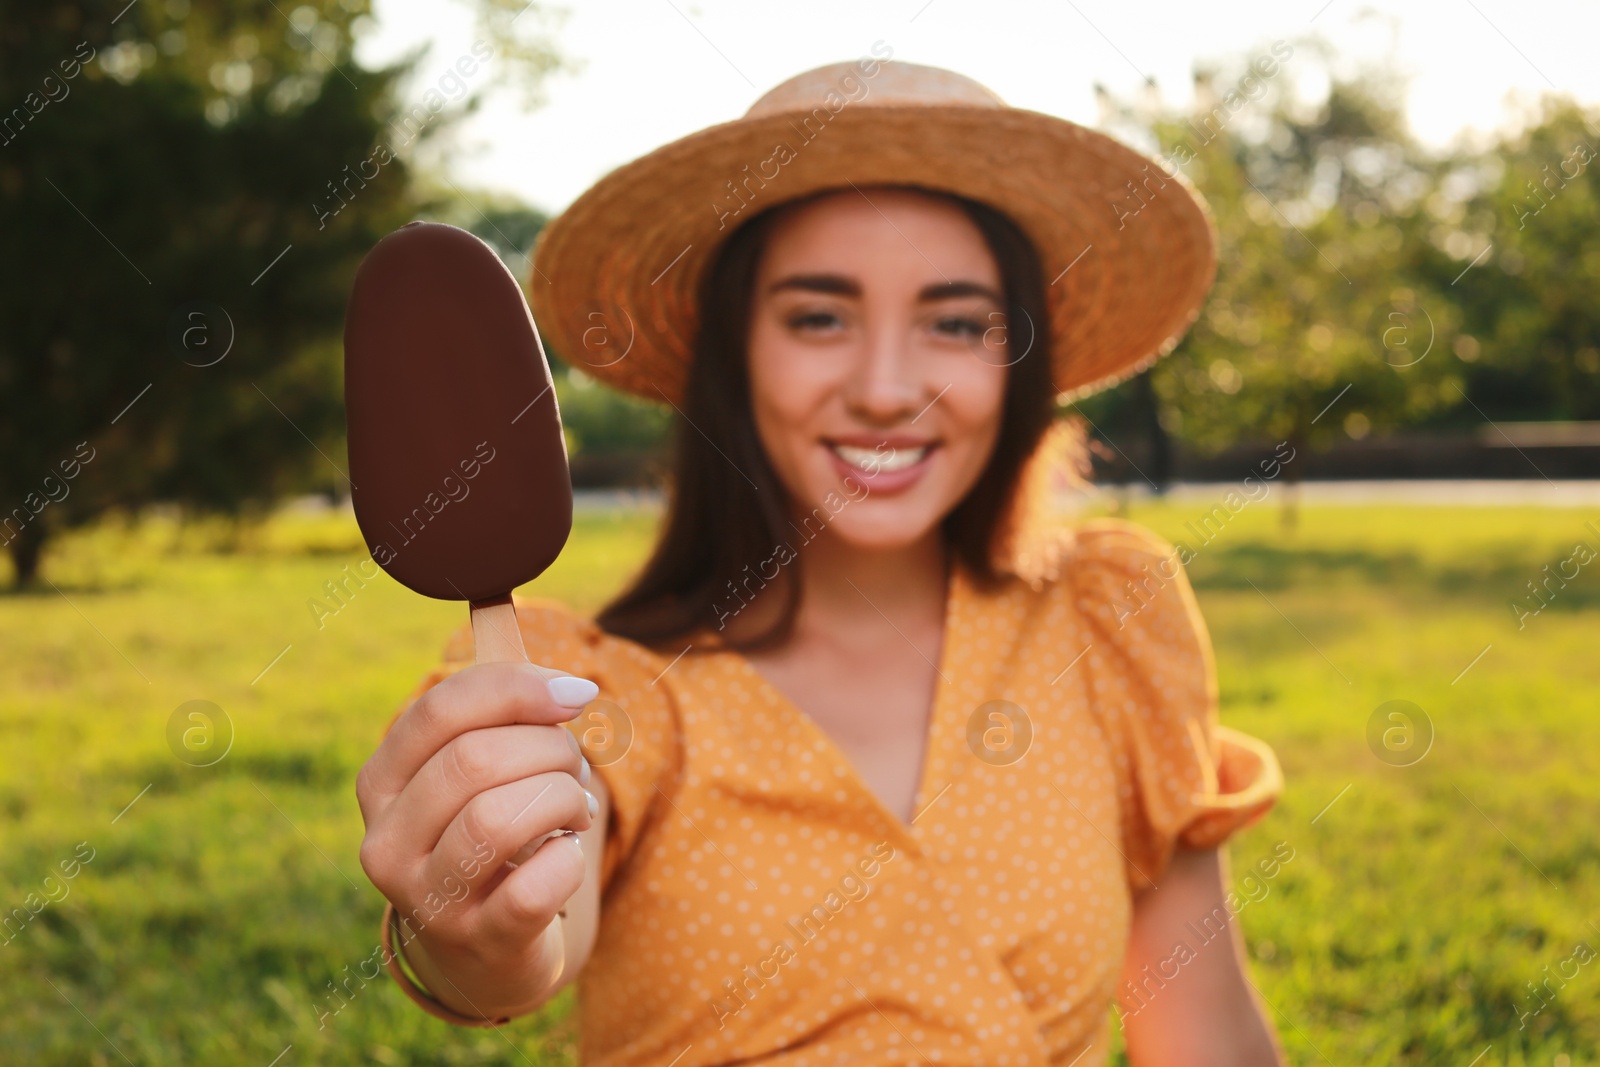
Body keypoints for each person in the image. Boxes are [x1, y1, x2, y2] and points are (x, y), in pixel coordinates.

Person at [355, 55, 1286, 1066]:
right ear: (734, 353)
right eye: (818, 315)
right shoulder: (588, 686)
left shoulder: (1107, 617)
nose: (887, 387)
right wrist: (474, 927)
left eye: (955, 321)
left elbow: (1207, 1037)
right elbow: (518, 940)